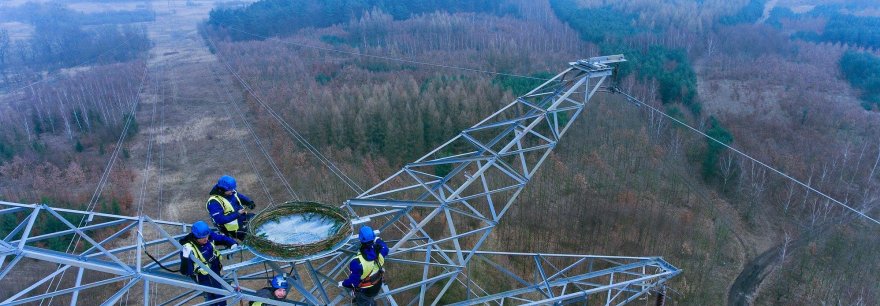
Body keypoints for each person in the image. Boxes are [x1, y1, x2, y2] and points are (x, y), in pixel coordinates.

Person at [179, 221, 238, 306]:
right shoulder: (189, 248)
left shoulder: (207, 236)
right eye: (203, 238)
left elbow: (221, 238)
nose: (206, 239)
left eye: (207, 236)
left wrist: (232, 243)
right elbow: (185, 271)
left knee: (220, 296)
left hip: (215, 271)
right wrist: (185, 257)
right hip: (204, 278)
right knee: (212, 298)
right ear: (196, 237)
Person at [339, 226, 389, 306]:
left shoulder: (357, 263)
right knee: (369, 298)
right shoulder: (381, 251)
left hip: (365, 291)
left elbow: (353, 283)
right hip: (377, 285)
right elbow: (385, 247)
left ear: (360, 239)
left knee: (364, 301)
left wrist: (344, 283)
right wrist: (378, 240)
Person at [206, 175, 256, 240]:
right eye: (231, 190)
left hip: (242, 218)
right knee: (253, 237)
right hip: (234, 229)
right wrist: (238, 213)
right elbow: (220, 220)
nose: (233, 191)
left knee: (258, 219)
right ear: (223, 190)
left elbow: (238, 195)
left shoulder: (230, 191)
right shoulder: (214, 203)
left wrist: (249, 202)